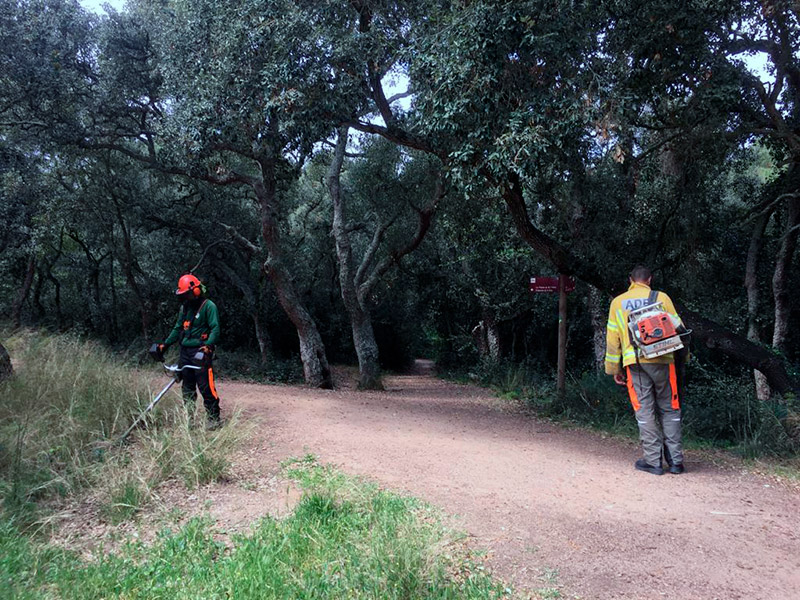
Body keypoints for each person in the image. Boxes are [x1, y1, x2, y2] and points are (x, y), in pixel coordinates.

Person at [605, 265, 684, 475]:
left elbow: (613, 339)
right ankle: (675, 461)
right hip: (663, 359)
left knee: (645, 410)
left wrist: (614, 368)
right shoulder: (662, 298)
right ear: (649, 279)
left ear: (630, 280)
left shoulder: (618, 303)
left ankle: (653, 461)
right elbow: (679, 328)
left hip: (635, 363)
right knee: (669, 408)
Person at [157, 273, 222, 428]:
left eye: (187, 294)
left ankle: (214, 419)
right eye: (183, 295)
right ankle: (189, 419)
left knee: (206, 386)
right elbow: (178, 327)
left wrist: (209, 345)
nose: (185, 297)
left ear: (196, 291)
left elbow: (215, 329)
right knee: (187, 387)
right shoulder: (185, 308)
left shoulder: (208, 306)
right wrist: (165, 345)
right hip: (185, 352)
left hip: (201, 351)